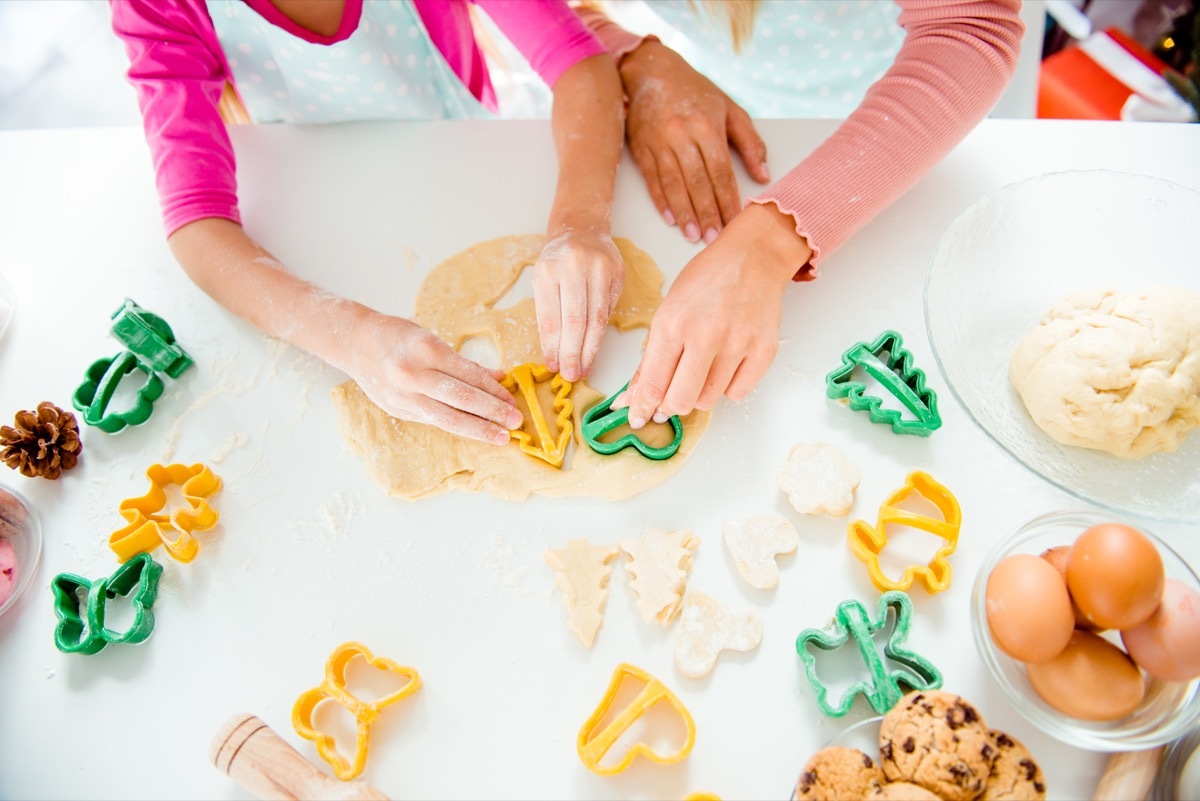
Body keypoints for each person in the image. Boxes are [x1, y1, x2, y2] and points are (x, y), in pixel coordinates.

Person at [109, 0, 625, 446]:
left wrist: (579, 223)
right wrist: (353, 340)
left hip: (468, 163)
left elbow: (578, 62)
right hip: (318, 211)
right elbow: (196, 219)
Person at [575, 0, 1024, 429]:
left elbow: (969, 28)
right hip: (704, 100)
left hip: (908, 117)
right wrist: (636, 58)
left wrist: (767, 245)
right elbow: (535, 17)